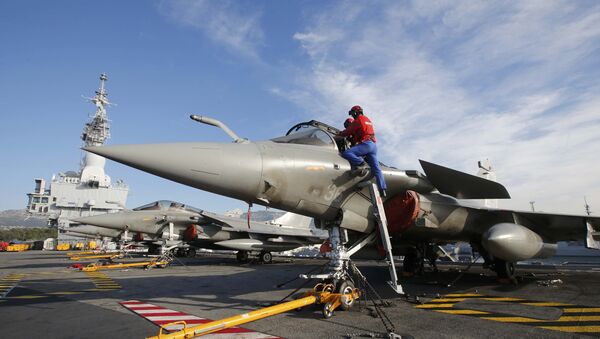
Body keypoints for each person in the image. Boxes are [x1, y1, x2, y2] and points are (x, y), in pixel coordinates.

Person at [337, 105, 387, 197]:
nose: (352, 116)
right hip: (373, 146)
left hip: (366, 145)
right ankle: (382, 189)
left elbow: (347, 132)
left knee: (347, 153)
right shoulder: (367, 119)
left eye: (353, 114)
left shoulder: (358, 120)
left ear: (356, 112)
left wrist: (339, 135)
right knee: (376, 169)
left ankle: (360, 163)